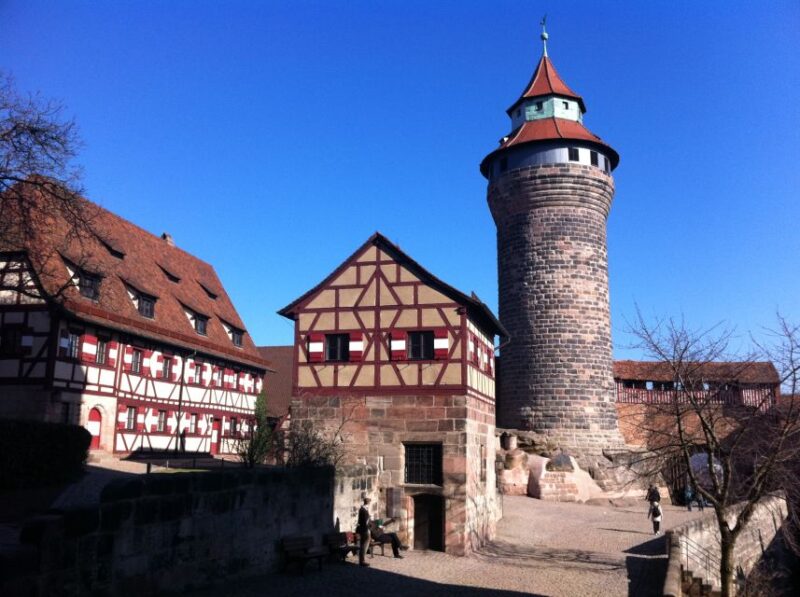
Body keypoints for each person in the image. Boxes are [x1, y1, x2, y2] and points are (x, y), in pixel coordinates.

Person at [356, 497, 371, 567]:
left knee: (363, 544)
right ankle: (362, 561)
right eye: (369, 502)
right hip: (364, 529)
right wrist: (368, 529)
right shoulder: (364, 510)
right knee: (365, 545)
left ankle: (361, 560)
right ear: (368, 502)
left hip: (363, 529)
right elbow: (365, 522)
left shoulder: (362, 509)